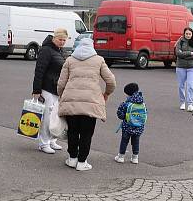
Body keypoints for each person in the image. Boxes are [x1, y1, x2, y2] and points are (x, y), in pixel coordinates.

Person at [57, 37, 116, 171]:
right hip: (91, 102)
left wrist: (62, 96)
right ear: (92, 46)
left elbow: (61, 83)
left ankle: (72, 159)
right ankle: (82, 162)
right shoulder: (99, 60)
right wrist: (106, 93)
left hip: (71, 101)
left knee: (72, 131)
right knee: (86, 133)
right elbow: (111, 81)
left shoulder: (70, 60)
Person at [31, 29, 68, 154]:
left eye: (64, 40)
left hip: (57, 88)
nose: (62, 42)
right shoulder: (46, 50)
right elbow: (39, 70)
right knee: (47, 116)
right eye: (60, 39)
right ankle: (44, 142)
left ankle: (52, 139)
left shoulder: (60, 51)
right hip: (46, 87)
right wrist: (36, 90)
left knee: (55, 116)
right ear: (54, 38)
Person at [115, 82, 146, 164]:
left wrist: (124, 117)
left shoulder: (126, 103)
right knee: (136, 141)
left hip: (127, 127)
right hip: (139, 127)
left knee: (124, 141)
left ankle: (121, 157)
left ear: (128, 94)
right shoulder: (142, 103)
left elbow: (119, 114)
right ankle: (135, 157)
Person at [175, 27, 193, 112]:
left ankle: (190, 104)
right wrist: (189, 53)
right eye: (187, 34)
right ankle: (182, 102)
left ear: (192, 34)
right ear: (184, 34)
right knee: (181, 85)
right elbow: (177, 53)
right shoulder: (180, 42)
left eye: (189, 34)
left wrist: (183, 56)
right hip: (180, 67)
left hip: (192, 68)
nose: (188, 35)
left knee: (190, 86)